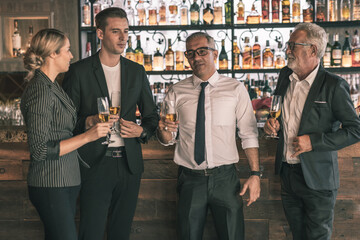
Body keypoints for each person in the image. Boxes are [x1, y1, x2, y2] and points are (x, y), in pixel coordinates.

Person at [62, 7, 158, 240]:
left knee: (121, 233)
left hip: (129, 164)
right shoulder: (78, 71)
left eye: (126, 31)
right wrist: (88, 121)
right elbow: (63, 122)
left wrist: (141, 130)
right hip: (93, 164)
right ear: (100, 34)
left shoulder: (136, 71)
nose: (123, 37)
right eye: (116, 31)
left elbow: (151, 117)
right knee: (90, 232)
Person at [157, 32, 261, 240]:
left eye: (202, 51)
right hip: (189, 179)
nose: (196, 58)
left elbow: (248, 133)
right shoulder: (176, 91)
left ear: (215, 53)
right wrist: (163, 131)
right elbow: (168, 138)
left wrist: (255, 174)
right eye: (190, 53)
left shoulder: (235, 88)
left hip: (226, 180)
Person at [264, 23, 360, 240]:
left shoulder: (334, 85)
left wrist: (314, 142)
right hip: (288, 175)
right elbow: (281, 115)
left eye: (292, 46)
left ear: (313, 50)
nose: (287, 50)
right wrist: (272, 125)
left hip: (318, 179)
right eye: (288, 45)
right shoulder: (284, 76)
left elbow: (356, 130)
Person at [20, 28, 111, 240]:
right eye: (68, 50)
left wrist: (89, 122)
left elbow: (62, 126)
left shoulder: (53, 86)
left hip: (65, 179)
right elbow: (40, 149)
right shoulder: (40, 90)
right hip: (50, 182)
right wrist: (88, 136)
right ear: (53, 53)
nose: (71, 56)